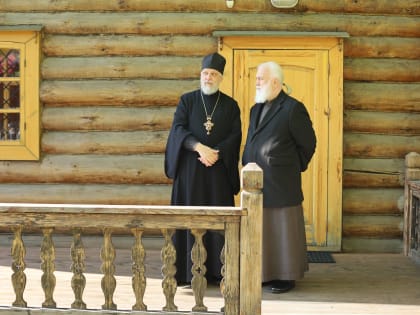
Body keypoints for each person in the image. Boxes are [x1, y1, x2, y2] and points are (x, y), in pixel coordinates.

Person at [164, 52, 242, 285]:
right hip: (190, 174)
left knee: (216, 222)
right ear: (201, 75)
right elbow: (177, 130)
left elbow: (235, 136)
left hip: (217, 173)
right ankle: (186, 273)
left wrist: (215, 152)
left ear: (221, 77)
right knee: (190, 220)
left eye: (213, 74)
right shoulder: (187, 100)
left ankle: (218, 272)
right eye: (205, 73)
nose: (208, 77)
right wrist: (199, 147)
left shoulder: (230, 105)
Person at [242, 61, 316, 294]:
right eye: (256, 78)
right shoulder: (256, 108)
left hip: (282, 181)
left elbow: (308, 143)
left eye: (260, 79)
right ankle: (264, 273)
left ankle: (285, 276)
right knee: (261, 228)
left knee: (282, 229)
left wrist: (291, 166)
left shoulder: (293, 108)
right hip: (256, 181)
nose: (256, 82)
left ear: (275, 81)